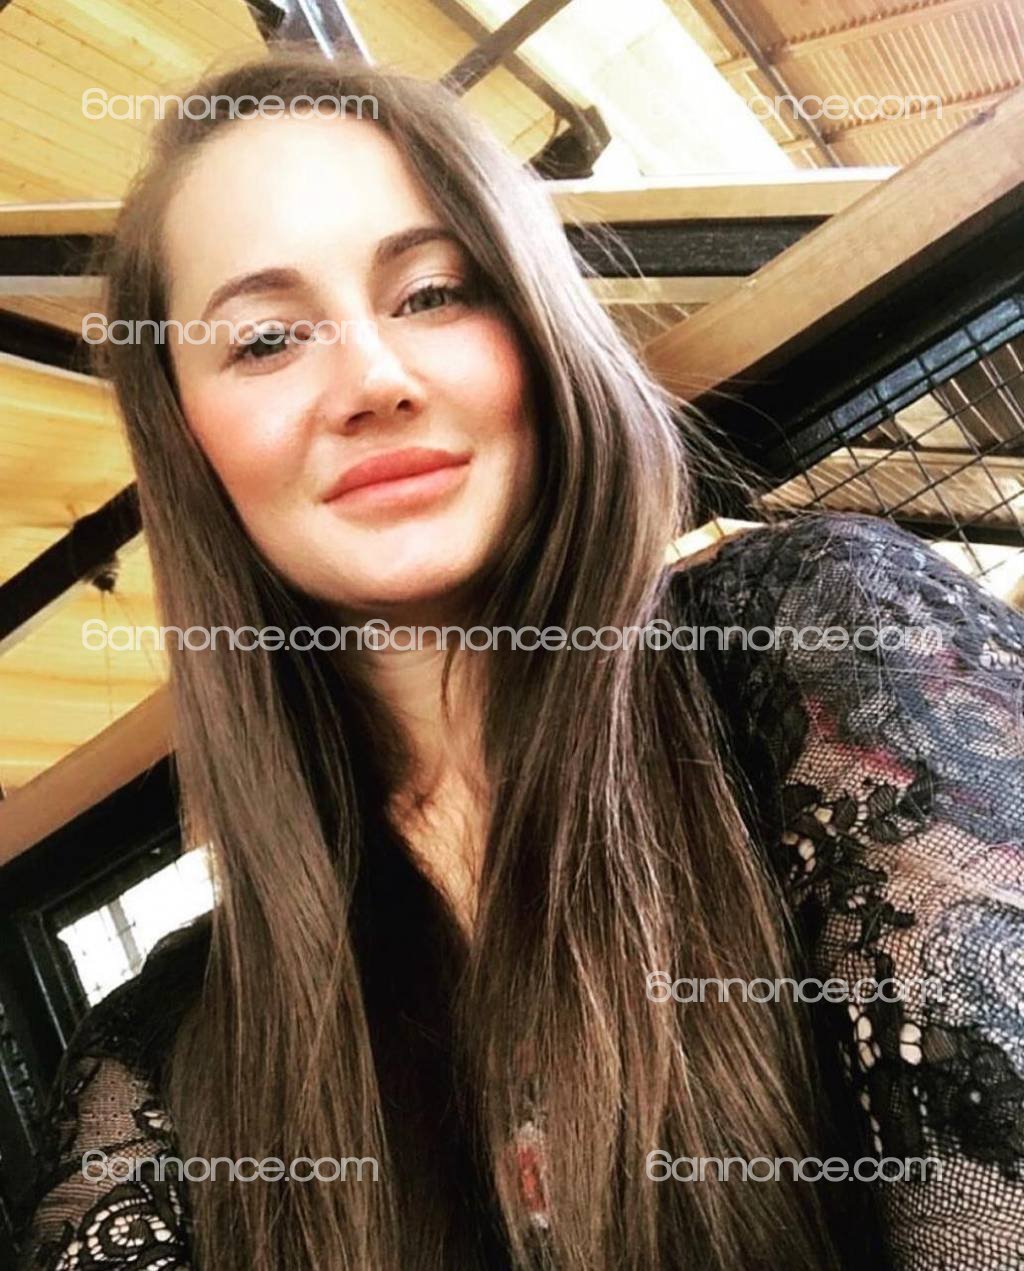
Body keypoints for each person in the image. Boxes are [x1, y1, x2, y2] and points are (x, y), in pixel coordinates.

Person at [16, 47, 1024, 1271]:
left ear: (539, 330)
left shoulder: (826, 646)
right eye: (268, 339)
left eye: (433, 293)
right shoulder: (156, 1054)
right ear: (188, 440)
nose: (372, 379)